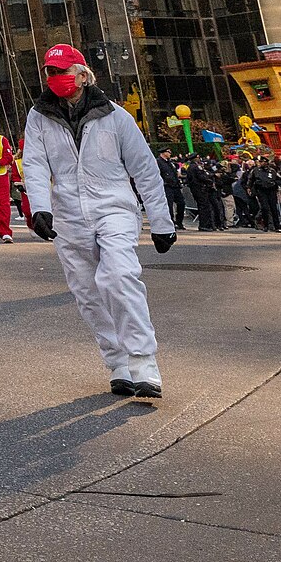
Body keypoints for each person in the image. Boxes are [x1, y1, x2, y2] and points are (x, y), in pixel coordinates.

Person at [22, 43, 174, 399]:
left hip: (114, 208)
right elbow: (35, 163)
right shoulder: (38, 117)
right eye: (49, 72)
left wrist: (161, 221)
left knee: (119, 275)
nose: (55, 78)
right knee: (87, 292)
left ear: (82, 73)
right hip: (68, 216)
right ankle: (118, 363)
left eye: (61, 71)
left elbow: (145, 170)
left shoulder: (116, 117)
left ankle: (143, 361)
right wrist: (40, 208)